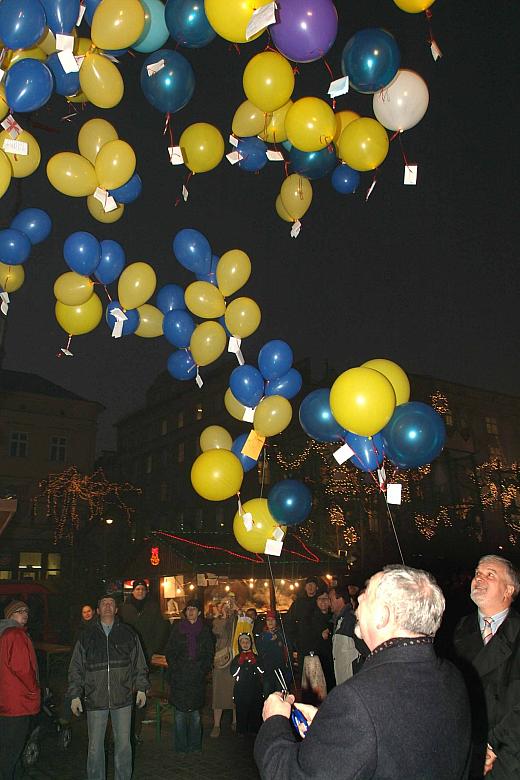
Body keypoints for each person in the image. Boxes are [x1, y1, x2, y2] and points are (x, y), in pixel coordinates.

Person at [254, 565, 472, 780]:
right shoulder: (452, 675)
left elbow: (290, 774)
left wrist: (275, 721)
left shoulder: (356, 699)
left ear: (383, 617)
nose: (357, 599)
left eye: (366, 595)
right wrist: (328, 724)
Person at [452, 555, 520, 779]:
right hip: (466, 752)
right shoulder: (457, 629)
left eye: (490, 575)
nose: (479, 578)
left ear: (508, 590)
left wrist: (491, 746)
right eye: (477, 573)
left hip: (509, 757)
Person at [67, 595, 149, 780]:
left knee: (123, 746)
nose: (107, 606)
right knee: (95, 747)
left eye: (111, 604)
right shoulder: (87, 635)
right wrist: (75, 694)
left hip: (123, 698)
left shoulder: (128, 634)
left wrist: (142, 687)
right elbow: (76, 666)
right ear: (97, 610)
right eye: (103, 604)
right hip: (96, 698)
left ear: (116, 609)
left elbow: (139, 663)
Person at [118, 579, 167, 740]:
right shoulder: (125, 608)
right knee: (126, 691)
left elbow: (160, 629)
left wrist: (153, 648)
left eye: (142, 589)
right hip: (127, 656)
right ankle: (125, 728)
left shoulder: (152, 607)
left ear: (146, 591)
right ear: (133, 591)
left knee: (141, 690)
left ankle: (136, 730)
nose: (140, 591)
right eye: (137, 589)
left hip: (146, 654)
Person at [165, 600, 213, 753]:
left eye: (194, 609)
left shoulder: (205, 631)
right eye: (189, 609)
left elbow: (208, 654)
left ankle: (195, 745)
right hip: (179, 676)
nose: (191, 611)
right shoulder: (177, 629)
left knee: (195, 715)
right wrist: (176, 667)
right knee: (179, 714)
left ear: (199, 612)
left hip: (196, 677)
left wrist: (201, 669)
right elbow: (170, 651)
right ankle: (180, 746)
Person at [0, 600, 40, 780]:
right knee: (12, 751)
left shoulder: (3, 634)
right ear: (10, 615)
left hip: (6, 701)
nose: (25, 614)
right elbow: (23, 668)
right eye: (19, 611)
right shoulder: (16, 634)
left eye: (26, 611)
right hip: (18, 703)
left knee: (7, 748)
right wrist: (34, 689)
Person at [329, 582, 368, 684]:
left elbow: (366, 651)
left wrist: (357, 672)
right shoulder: (338, 621)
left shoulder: (351, 620)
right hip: (343, 682)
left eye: (331, 599)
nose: (329, 603)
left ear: (340, 599)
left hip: (352, 683)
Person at [285, 577, 319, 683]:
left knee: (318, 672)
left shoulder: (321, 600)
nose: (310, 586)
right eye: (308, 584)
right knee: (304, 672)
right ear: (305, 587)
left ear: (317, 587)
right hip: (302, 642)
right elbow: (289, 620)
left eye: (312, 584)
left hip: (319, 643)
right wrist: (295, 639)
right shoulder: (299, 603)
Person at [211, 602, 236, 737]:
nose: (228, 608)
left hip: (234, 659)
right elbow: (219, 632)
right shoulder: (217, 621)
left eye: (229, 606)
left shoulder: (237, 620)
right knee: (218, 691)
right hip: (221, 660)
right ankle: (216, 724)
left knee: (235, 691)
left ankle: (236, 721)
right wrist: (224, 618)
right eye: (225, 606)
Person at [231, 632, 264, 735]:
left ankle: (255, 731)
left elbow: (262, 671)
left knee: (255, 711)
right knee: (241, 711)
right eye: (243, 642)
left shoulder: (256, 657)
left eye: (247, 642)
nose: (245, 644)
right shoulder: (237, 658)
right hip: (241, 690)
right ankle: (241, 731)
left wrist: (254, 662)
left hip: (255, 689)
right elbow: (233, 673)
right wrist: (240, 663)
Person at [257, 611, 290, 697]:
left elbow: (287, 649)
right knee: (268, 693)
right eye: (268, 620)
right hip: (267, 670)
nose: (270, 622)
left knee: (281, 694)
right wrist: (268, 641)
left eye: (272, 620)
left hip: (280, 669)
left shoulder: (281, 634)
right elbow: (260, 650)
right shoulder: (262, 636)